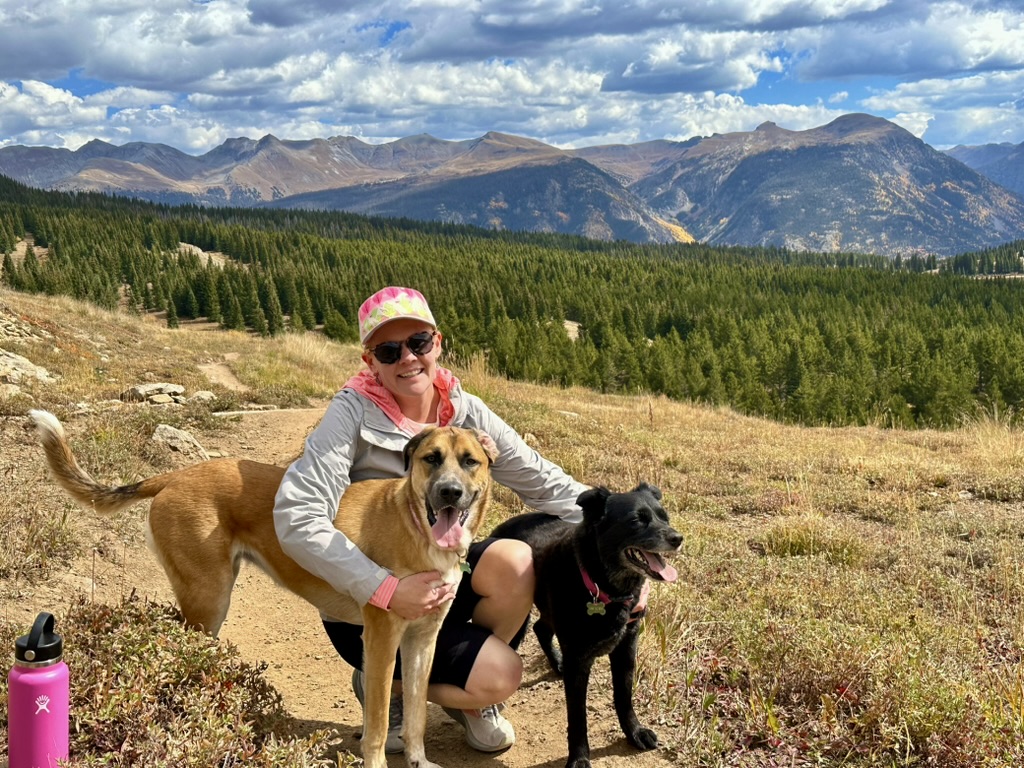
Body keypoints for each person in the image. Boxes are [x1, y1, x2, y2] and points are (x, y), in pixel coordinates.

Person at [273, 286, 589, 754]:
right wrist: (384, 587)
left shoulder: (464, 409)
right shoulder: (350, 413)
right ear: (370, 360)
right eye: (388, 350)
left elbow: (540, 478)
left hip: (441, 566)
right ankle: (388, 687)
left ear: (437, 343)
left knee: (516, 563)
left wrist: (615, 519)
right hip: (368, 593)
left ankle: (466, 696)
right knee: (485, 668)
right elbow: (297, 516)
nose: (407, 359)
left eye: (418, 343)